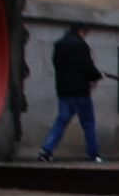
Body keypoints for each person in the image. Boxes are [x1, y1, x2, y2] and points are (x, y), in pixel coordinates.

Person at [37, 23, 105, 162]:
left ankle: (46, 150)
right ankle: (93, 153)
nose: (85, 36)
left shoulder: (59, 45)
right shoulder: (81, 46)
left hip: (64, 90)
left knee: (61, 121)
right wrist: (98, 75)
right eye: (85, 33)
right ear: (80, 32)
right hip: (80, 91)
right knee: (88, 122)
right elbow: (87, 67)